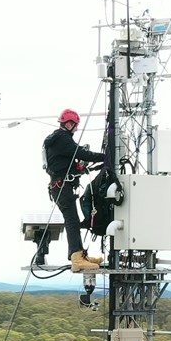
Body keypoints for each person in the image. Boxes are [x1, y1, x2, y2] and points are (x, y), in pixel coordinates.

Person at [42, 108, 107, 272]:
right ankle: (76, 257)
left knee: (73, 221)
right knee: (72, 221)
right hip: (62, 187)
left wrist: (80, 169)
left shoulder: (56, 140)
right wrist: (106, 157)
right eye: (75, 125)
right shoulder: (63, 139)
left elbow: (66, 162)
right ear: (69, 124)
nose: (76, 129)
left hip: (60, 186)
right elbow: (83, 153)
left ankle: (79, 254)